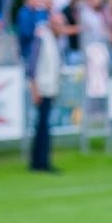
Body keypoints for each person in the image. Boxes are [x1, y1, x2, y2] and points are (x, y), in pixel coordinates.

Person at [26, 9, 64, 174]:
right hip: (42, 89)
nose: (60, 27)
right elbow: (33, 65)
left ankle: (40, 161)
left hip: (50, 88)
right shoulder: (42, 38)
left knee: (44, 126)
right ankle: (40, 162)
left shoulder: (54, 40)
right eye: (57, 24)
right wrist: (34, 89)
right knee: (42, 127)